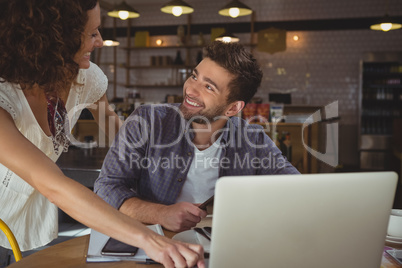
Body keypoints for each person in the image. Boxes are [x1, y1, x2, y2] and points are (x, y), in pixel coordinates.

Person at [0, 1, 204, 267]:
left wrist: (169, 175)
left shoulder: (85, 79)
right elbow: (53, 185)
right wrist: (149, 239)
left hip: (24, 220)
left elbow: (120, 138)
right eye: (92, 33)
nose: (101, 42)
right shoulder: (4, 94)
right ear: (53, 39)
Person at [94, 41, 300, 233]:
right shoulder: (146, 120)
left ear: (233, 107)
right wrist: (161, 214)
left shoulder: (253, 140)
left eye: (208, 87)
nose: (190, 89)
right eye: (194, 76)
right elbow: (106, 187)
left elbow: (297, 190)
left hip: (225, 247)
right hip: (155, 244)